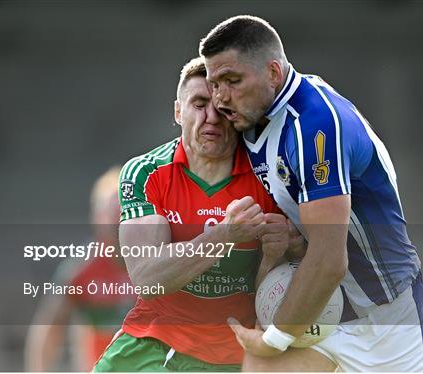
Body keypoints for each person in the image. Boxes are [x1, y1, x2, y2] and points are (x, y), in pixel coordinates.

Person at [200, 15, 423, 372]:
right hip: (327, 312)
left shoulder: (315, 124)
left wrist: (274, 339)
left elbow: (328, 261)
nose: (221, 98)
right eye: (214, 84)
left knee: (263, 356)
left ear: (274, 73)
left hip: (385, 319)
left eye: (233, 80)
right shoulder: (251, 117)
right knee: (257, 367)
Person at [93, 57, 297, 372]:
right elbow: (148, 278)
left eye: (221, 107)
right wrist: (225, 235)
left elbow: (276, 288)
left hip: (231, 356)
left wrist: (279, 253)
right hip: (151, 344)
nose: (212, 117)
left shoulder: (269, 177)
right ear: (178, 111)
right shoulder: (146, 172)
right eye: (200, 104)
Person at [25, 166, 135, 371]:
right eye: (110, 216)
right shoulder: (82, 268)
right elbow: (49, 327)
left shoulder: (157, 261)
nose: (116, 224)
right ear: (97, 218)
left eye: (122, 217)